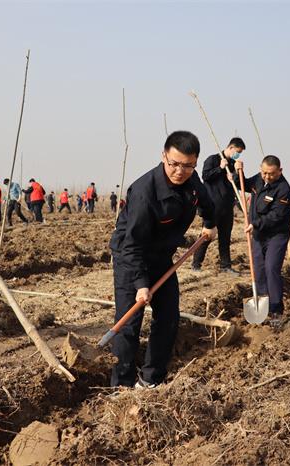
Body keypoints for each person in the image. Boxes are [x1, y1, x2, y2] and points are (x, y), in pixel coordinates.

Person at [109, 130, 216, 388]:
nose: (180, 171)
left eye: (188, 165)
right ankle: (120, 386)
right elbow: (132, 245)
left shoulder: (192, 180)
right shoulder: (145, 192)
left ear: (195, 162)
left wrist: (209, 223)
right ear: (164, 156)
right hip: (131, 259)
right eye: (175, 164)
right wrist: (141, 284)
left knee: (168, 318)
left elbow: (207, 202)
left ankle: (150, 379)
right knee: (129, 324)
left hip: (162, 258)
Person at [236, 155, 290, 321]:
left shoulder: (284, 190)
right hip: (258, 234)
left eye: (271, 173)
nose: (267, 176)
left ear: (280, 171)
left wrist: (255, 224)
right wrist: (236, 170)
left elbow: (276, 215)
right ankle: (263, 305)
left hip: (276, 234)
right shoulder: (259, 179)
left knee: (271, 268)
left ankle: (276, 310)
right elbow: (244, 183)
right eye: (264, 173)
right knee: (258, 269)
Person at [192, 137, 246, 274]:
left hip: (227, 207)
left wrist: (237, 173)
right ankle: (196, 263)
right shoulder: (213, 160)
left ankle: (225, 266)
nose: (237, 154)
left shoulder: (233, 164)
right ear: (231, 147)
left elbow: (237, 185)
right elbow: (205, 176)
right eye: (237, 151)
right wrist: (220, 168)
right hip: (213, 207)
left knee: (225, 237)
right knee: (207, 236)